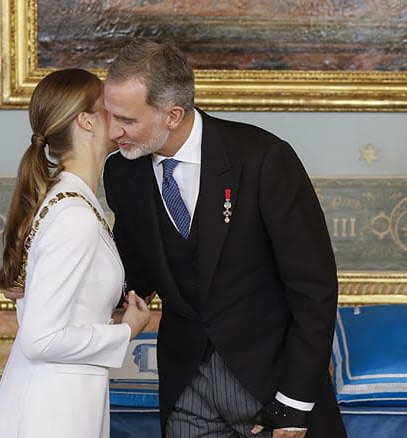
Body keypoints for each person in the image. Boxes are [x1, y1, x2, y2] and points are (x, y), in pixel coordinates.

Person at [102, 40, 347, 438]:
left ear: (172, 115)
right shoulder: (123, 173)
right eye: (109, 116)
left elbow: (313, 286)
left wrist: (297, 400)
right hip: (187, 390)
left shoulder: (263, 157)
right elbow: (135, 271)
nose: (113, 132)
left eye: (126, 120)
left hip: (272, 386)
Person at [0, 68, 151, 438]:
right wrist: (124, 331)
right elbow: (40, 338)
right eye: (109, 108)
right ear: (86, 121)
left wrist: (106, 309)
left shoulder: (70, 201)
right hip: (53, 411)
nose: (119, 116)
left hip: (64, 399)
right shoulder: (74, 215)